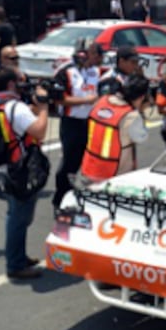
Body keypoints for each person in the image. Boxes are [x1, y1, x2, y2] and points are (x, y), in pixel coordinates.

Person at [0, 67, 50, 279]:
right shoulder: (16, 107)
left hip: (6, 166)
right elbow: (39, 130)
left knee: (16, 215)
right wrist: (43, 109)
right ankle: (15, 265)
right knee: (19, 216)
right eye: (21, 81)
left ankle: (18, 256)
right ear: (11, 84)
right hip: (20, 169)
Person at [52, 42, 103, 210]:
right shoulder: (66, 72)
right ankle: (60, 197)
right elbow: (59, 99)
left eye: (96, 54)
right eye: (91, 54)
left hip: (92, 122)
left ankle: (79, 194)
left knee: (88, 160)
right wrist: (87, 100)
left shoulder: (97, 72)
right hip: (71, 123)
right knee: (69, 161)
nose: (94, 58)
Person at [80, 74, 151, 183]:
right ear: (142, 97)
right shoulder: (131, 115)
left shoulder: (102, 100)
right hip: (114, 173)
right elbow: (141, 137)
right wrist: (141, 112)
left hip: (90, 167)